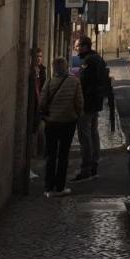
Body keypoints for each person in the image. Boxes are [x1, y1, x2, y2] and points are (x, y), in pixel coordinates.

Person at [38, 56, 83, 197]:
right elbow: (79, 103)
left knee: (51, 155)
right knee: (63, 155)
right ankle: (60, 187)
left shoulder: (50, 82)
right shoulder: (75, 82)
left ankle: (48, 187)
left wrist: (46, 115)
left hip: (51, 123)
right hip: (68, 123)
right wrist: (75, 115)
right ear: (66, 68)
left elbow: (42, 102)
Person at [71, 36, 113, 182]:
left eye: (77, 46)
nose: (76, 49)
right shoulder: (97, 58)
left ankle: (86, 168)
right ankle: (93, 164)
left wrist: (80, 100)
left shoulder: (89, 61)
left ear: (85, 46)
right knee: (93, 133)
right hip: (96, 103)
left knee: (85, 135)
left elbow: (84, 83)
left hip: (88, 103)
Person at [28, 48, 46, 158]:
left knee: (40, 132)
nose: (39, 59)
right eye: (37, 56)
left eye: (40, 56)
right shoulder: (30, 72)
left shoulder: (42, 70)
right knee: (33, 132)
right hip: (32, 106)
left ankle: (38, 155)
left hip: (40, 107)